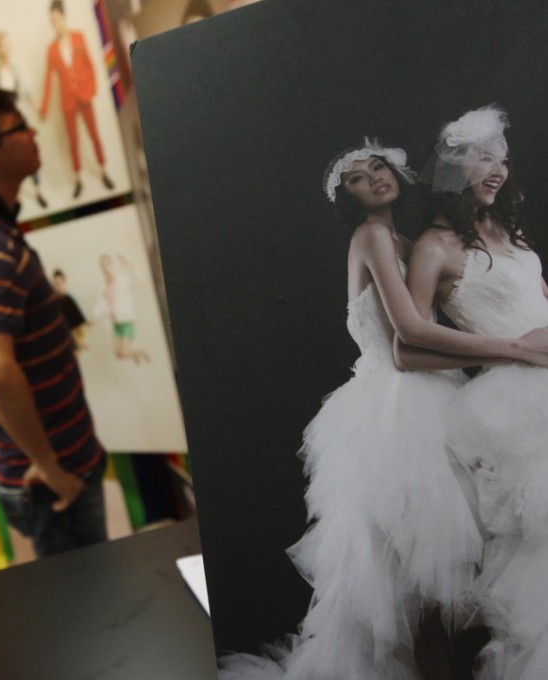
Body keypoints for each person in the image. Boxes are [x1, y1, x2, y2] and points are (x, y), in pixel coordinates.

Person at [217, 138, 548, 680]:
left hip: (438, 394)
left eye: (379, 167)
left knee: (446, 582)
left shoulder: (405, 239)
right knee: (417, 587)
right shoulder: (371, 234)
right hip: (397, 408)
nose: (373, 179)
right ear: (345, 196)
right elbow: (410, 334)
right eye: (357, 178)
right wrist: (516, 348)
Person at [0, 87, 108, 557]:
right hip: (55, 483)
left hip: (49, 472)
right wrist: (49, 467)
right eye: (19, 127)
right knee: (91, 614)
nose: (33, 133)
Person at [404, 105, 548, 678]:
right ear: (454, 167)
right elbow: (409, 346)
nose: (498, 169)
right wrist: (514, 350)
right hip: (513, 402)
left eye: (502, 159)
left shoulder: (511, 232)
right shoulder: (434, 247)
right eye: (484, 158)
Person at [39, 0, 114, 200]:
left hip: (84, 96)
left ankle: (103, 169)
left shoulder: (78, 37)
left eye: (56, 19)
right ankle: (78, 178)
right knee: (73, 141)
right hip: (68, 101)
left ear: (63, 17)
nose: (54, 24)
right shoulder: (52, 49)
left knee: (94, 134)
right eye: (51, 21)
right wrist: (44, 107)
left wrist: (91, 90)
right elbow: (48, 79)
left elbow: (90, 65)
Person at [0, 30, 47, 209]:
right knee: (12, 158)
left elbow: (26, 91)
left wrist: (37, 106)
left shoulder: (15, 70)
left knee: (29, 151)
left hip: (20, 117)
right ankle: (18, 196)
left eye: (8, 44)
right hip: (6, 124)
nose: (7, 48)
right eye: (3, 45)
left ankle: (38, 189)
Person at [93, 253, 150, 364]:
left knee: (123, 352)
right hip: (115, 322)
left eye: (107, 264)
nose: (105, 267)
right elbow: (101, 303)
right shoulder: (103, 286)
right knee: (119, 355)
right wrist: (95, 316)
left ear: (112, 265)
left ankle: (139, 351)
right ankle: (136, 353)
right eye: (103, 266)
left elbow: (138, 277)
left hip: (125, 320)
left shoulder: (122, 279)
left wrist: (128, 263)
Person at [51, 268, 88, 349]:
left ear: (65, 282)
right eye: (56, 284)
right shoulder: (53, 304)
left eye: (61, 283)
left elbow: (80, 325)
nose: (59, 286)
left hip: (73, 341)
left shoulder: (70, 299)